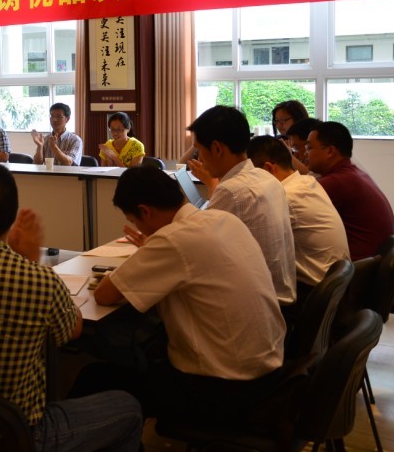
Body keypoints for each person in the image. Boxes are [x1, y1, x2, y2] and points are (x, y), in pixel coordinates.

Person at [0, 162, 143, 451]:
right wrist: (30, 262)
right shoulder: (37, 280)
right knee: (128, 408)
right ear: (11, 217)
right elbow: (73, 329)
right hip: (16, 435)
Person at [94, 166, 285, 427]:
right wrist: (150, 248)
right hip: (268, 376)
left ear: (145, 211)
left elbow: (104, 295)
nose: (140, 228)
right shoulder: (224, 220)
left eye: (135, 220)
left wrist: (149, 250)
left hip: (222, 391)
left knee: (96, 378)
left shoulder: (173, 239)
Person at [188, 106, 296, 307]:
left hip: (260, 304)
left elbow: (199, 251)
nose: (199, 159)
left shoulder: (231, 191)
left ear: (217, 148)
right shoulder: (265, 177)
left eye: (199, 151)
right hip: (281, 295)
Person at [247, 136, 349, 296]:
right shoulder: (307, 182)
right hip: (335, 287)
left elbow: (252, 246)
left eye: (249, 176)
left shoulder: (284, 196)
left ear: (268, 169)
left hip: (313, 294)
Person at [307, 121, 394, 260]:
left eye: (309, 148)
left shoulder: (337, 182)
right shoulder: (354, 173)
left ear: (330, 151)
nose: (305, 154)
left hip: (359, 267)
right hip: (374, 263)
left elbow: (289, 203)